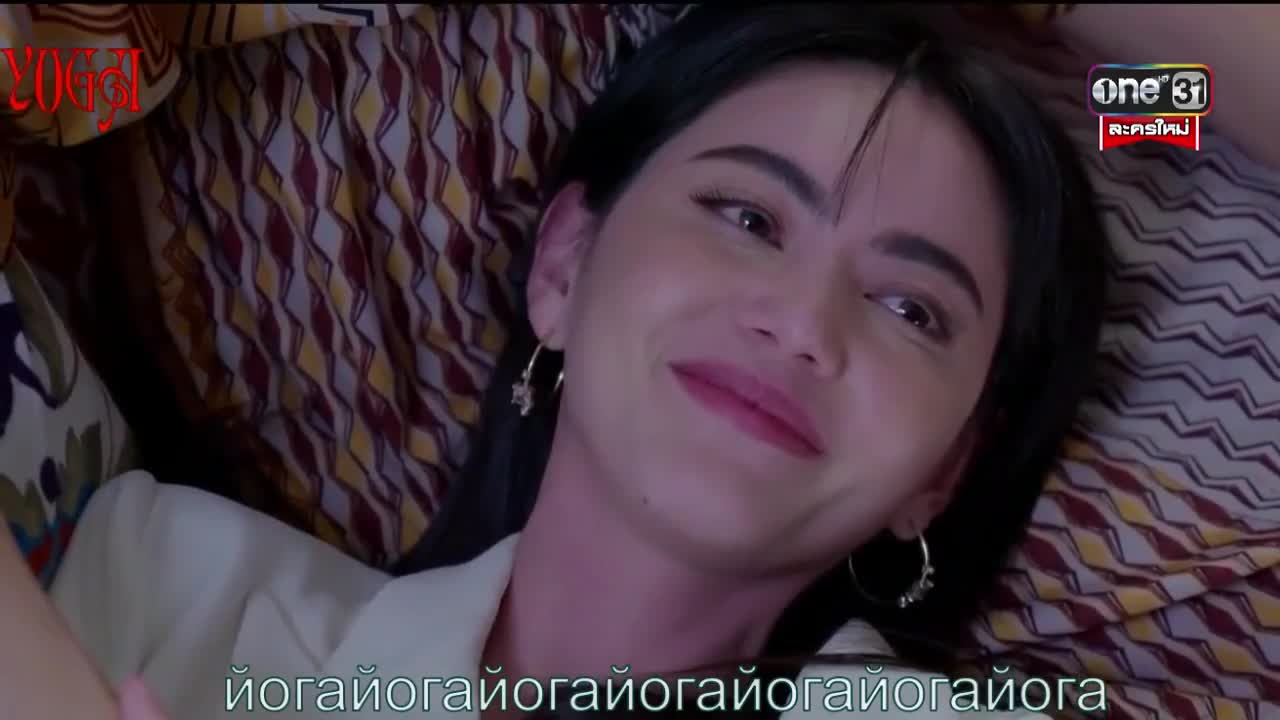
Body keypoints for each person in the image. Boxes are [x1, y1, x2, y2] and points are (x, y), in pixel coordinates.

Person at [1, 5, 1109, 719]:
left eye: (912, 308)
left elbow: (1186, 98)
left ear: (942, 473)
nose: (804, 323)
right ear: (566, 263)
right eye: (748, 218)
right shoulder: (170, 580)